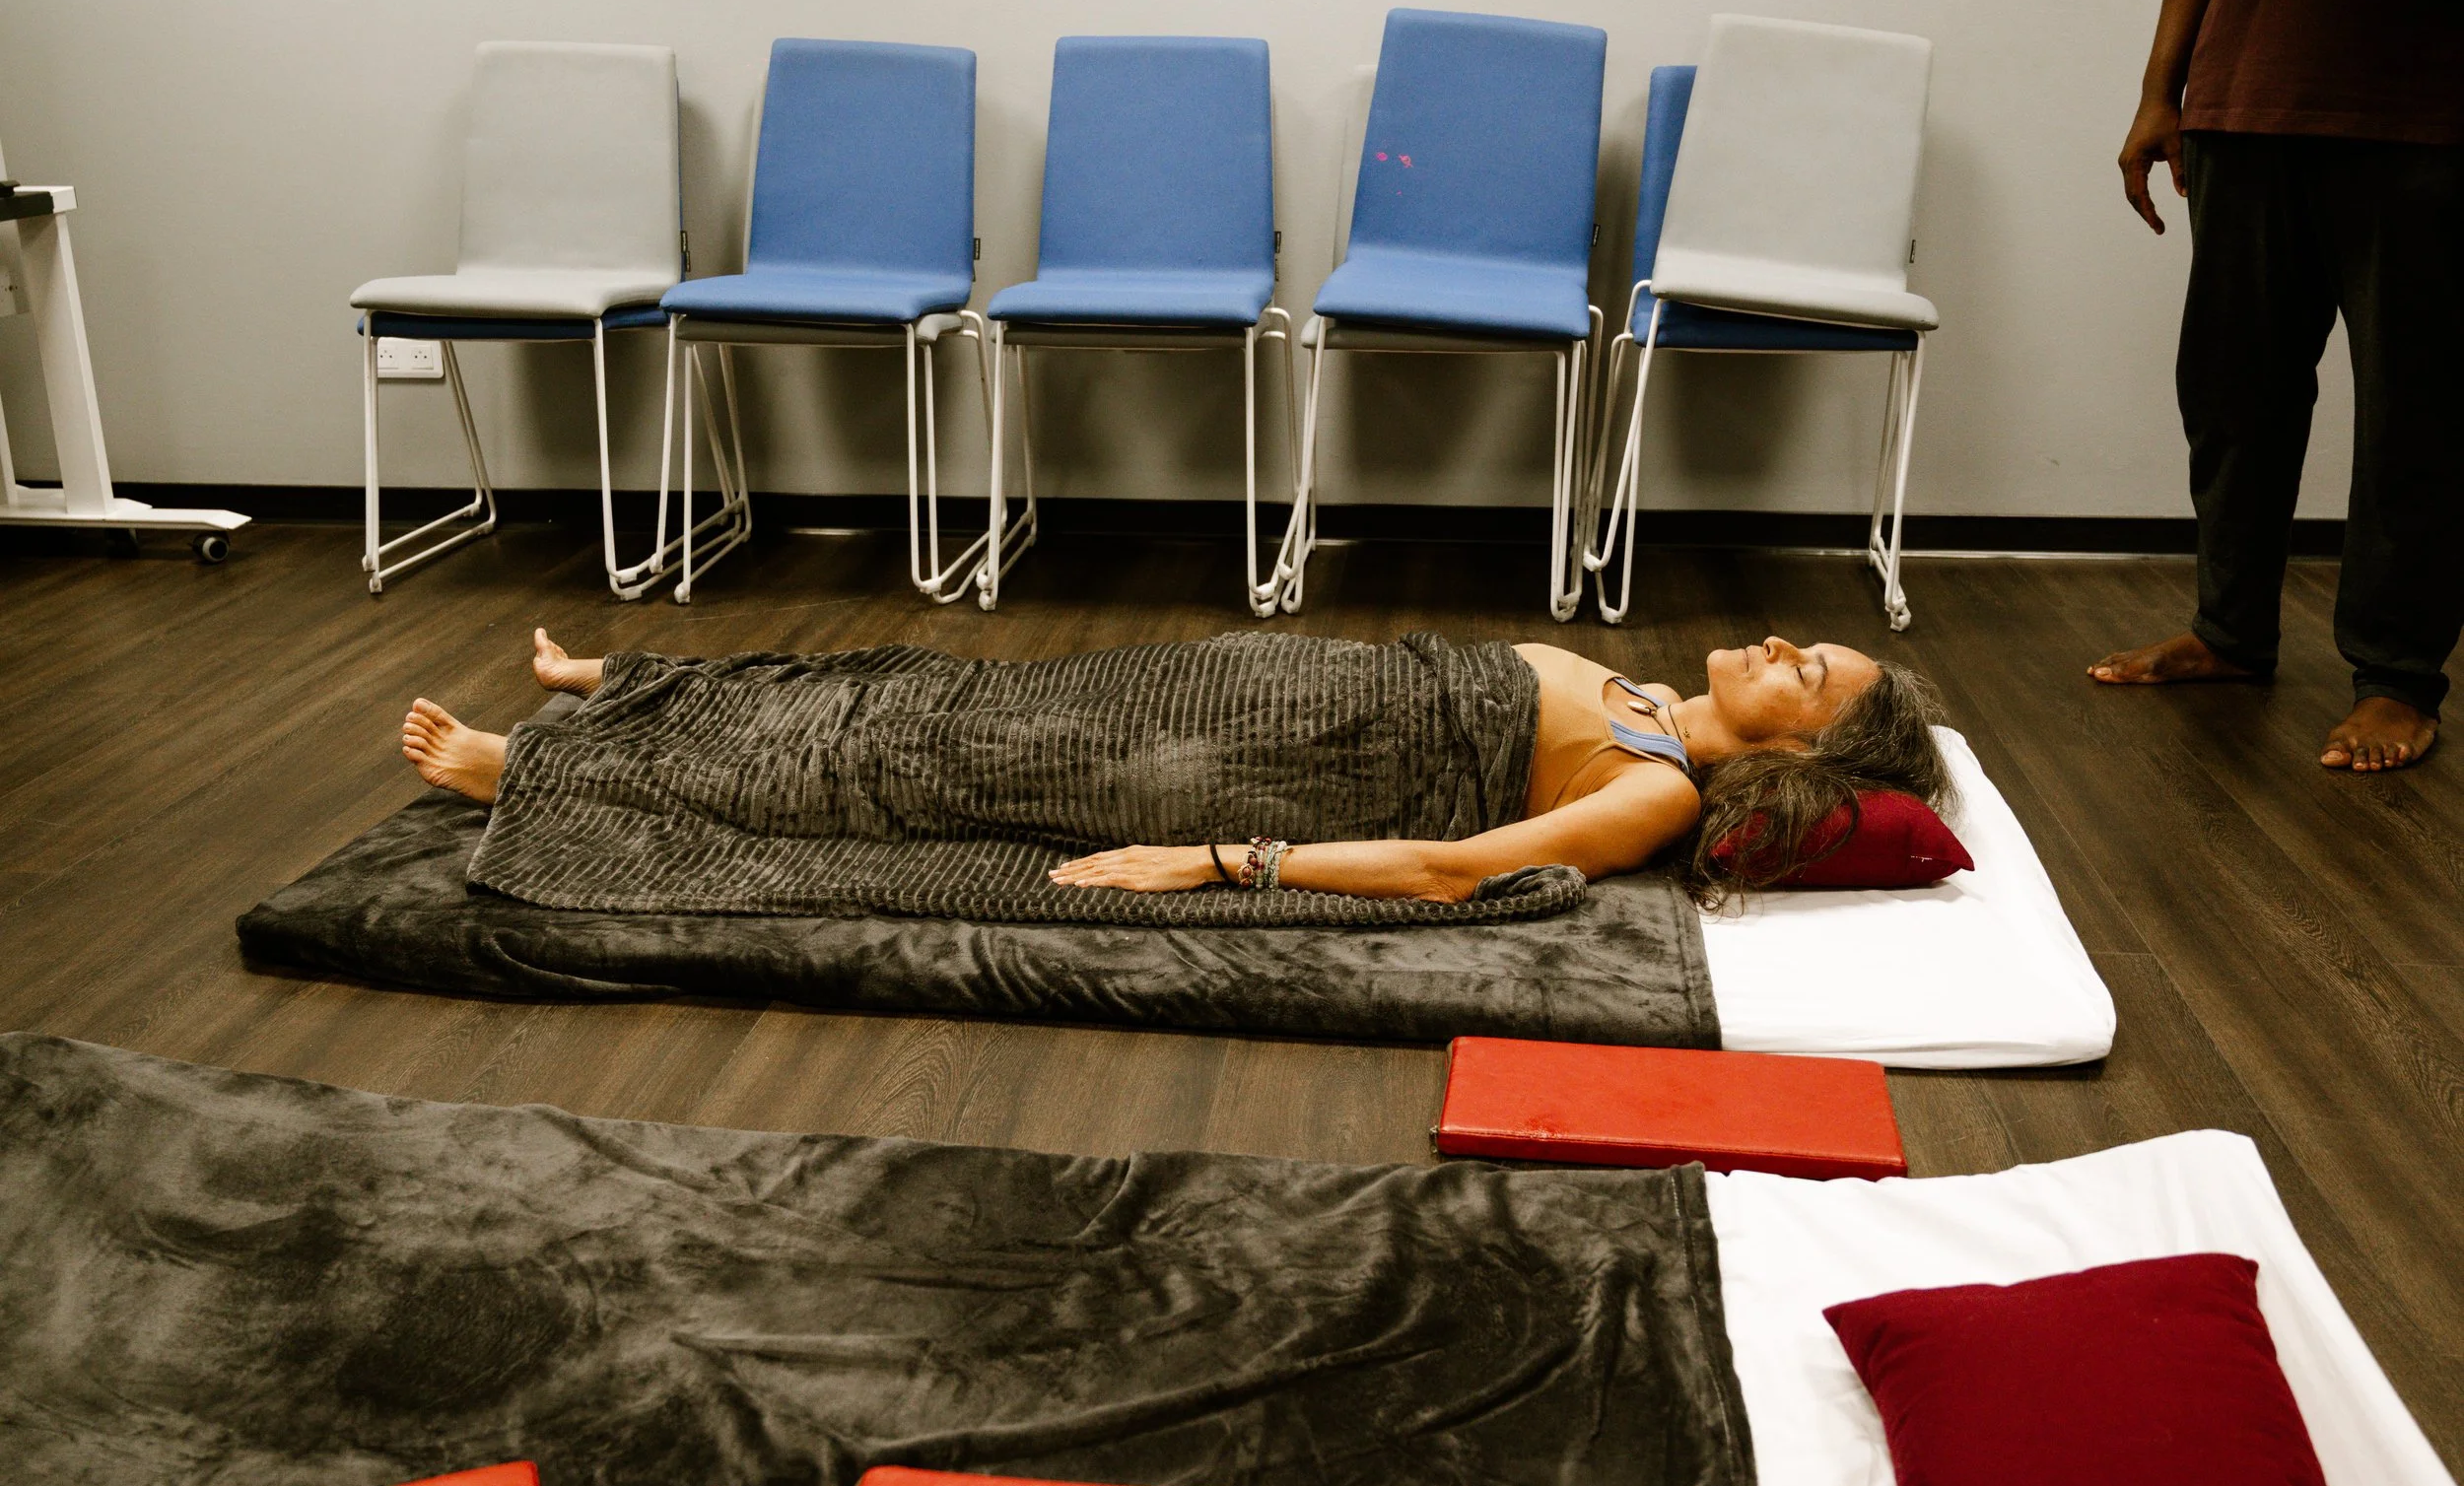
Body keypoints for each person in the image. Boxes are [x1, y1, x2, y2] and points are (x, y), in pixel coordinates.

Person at [403, 628, 1950, 910]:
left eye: (1804, 670)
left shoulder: (1659, 788)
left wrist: (1215, 860)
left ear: (1803, 743)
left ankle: (536, 776)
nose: (1777, 643)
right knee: (925, 687)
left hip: (1246, 760)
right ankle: (634, 687)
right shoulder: (1648, 699)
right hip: (1235, 687)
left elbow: (1455, 867)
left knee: (900, 764)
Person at [2089, 0, 2462, 773]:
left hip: (2422, 126)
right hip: (2244, 112)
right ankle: (2229, 631)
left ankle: (2397, 677)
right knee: (2231, 394)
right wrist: (2159, 93)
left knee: (2412, 413)